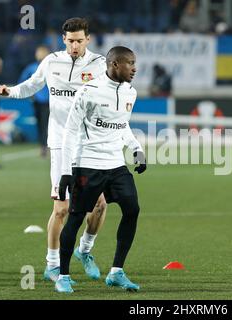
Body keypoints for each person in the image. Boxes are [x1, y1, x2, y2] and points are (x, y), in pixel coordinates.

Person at [0, 17, 108, 282]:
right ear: (63, 39)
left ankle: (84, 251)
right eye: (70, 41)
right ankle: (52, 265)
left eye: (79, 40)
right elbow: (32, 84)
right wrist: (10, 91)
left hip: (90, 144)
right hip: (60, 144)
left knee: (100, 205)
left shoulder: (100, 65)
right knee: (61, 208)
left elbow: (111, 96)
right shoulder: (52, 61)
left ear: (87, 39)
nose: (74, 45)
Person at [55, 46, 146, 293]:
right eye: (130, 63)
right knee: (75, 217)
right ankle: (62, 276)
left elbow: (122, 125)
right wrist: (65, 171)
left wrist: (136, 148)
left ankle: (116, 271)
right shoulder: (89, 92)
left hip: (116, 164)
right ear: (114, 64)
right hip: (88, 164)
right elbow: (71, 131)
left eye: (135, 63)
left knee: (132, 209)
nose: (135, 68)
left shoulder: (130, 92)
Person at [19, 45, 50, 157]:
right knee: (41, 124)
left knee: (45, 124)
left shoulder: (51, 67)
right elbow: (22, 81)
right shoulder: (32, 68)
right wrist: (30, 93)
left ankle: (45, 146)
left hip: (49, 102)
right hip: (37, 101)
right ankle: (43, 146)